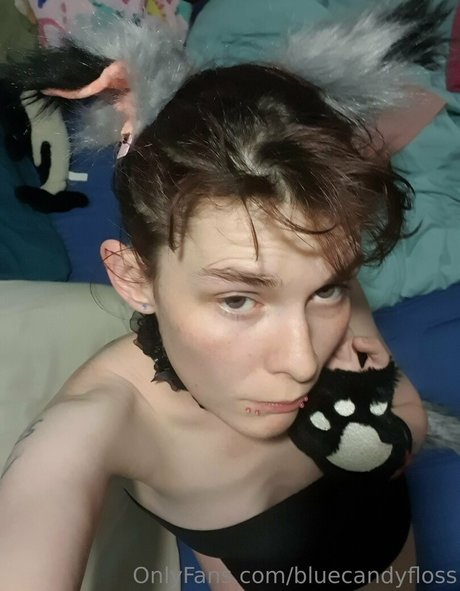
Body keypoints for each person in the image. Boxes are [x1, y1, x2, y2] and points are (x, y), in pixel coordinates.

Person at [0, 9, 433, 591]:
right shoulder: (104, 420)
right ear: (134, 278)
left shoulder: (314, 276)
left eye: (327, 289)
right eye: (237, 300)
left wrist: (384, 423)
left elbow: (403, 416)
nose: (303, 361)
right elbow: (38, 507)